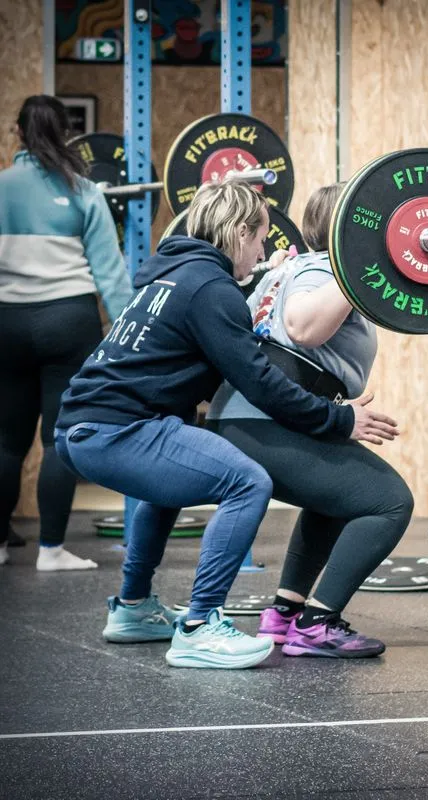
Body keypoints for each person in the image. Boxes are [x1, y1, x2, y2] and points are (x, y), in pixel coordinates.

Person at [54, 180, 398, 670]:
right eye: (260, 238)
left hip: (79, 428)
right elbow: (259, 382)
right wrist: (338, 419)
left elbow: (212, 314)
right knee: (246, 481)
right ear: (239, 233)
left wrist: (257, 281)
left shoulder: (172, 275)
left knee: (168, 485)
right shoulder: (210, 289)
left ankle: (133, 610)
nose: (265, 248)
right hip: (118, 430)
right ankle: (199, 627)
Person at [206, 183, 414, 659]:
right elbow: (302, 327)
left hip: (244, 416)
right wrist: (360, 265)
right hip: (267, 419)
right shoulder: (326, 269)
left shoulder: (289, 269)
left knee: (336, 497)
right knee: (388, 502)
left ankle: (283, 613)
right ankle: (317, 624)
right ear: (350, 232)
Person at [0, 95, 133, 571]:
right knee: (59, 438)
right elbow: (111, 275)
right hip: (68, 322)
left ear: (18, 133)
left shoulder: (1, 187)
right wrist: (127, 335)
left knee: (6, 441)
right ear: (65, 134)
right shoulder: (82, 191)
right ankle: (51, 551)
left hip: (7, 324)